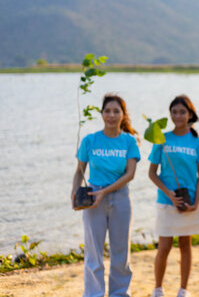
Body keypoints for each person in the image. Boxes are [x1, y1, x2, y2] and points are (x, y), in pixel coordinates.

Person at [71, 94, 141, 297]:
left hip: (120, 198)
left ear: (123, 115)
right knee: (93, 253)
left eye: (116, 111)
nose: (111, 115)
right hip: (93, 198)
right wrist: (75, 191)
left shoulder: (129, 141)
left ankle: (119, 293)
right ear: (102, 114)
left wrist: (105, 191)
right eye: (107, 111)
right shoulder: (90, 140)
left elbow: (130, 174)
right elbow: (79, 171)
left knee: (121, 253)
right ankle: (94, 294)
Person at [148, 95, 199, 297]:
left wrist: (197, 201)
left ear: (190, 114)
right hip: (167, 201)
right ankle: (158, 288)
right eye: (174, 112)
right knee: (164, 246)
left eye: (182, 112)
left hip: (189, 202)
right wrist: (170, 194)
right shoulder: (161, 139)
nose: (178, 116)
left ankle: (183, 289)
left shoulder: (197, 142)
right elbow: (152, 173)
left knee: (185, 245)